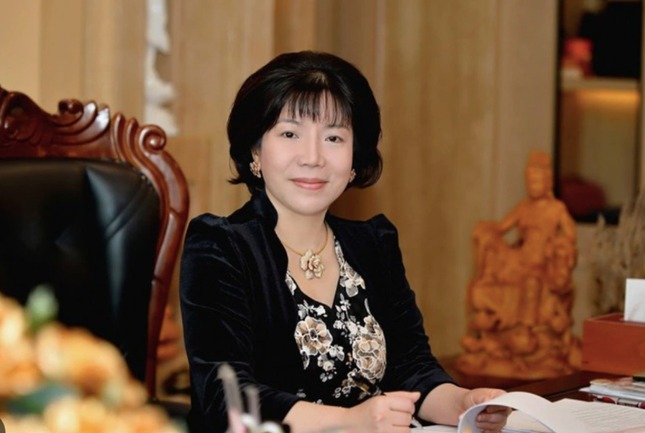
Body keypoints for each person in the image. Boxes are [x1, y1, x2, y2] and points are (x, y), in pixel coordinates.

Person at [180, 50, 511, 433]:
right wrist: (350, 422)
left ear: (355, 158)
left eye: (334, 137)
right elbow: (226, 398)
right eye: (290, 134)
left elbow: (411, 367)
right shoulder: (220, 247)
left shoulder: (373, 245)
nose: (313, 157)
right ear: (256, 149)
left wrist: (463, 404)